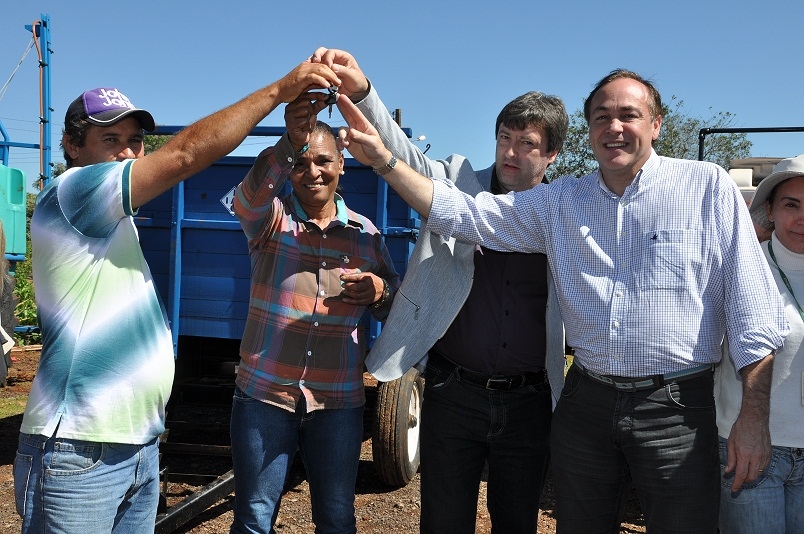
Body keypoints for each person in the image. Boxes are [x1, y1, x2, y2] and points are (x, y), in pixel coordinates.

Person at [333, 69, 789, 533]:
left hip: (674, 409)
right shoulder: (562, 202)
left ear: (656, 125)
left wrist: (754, 419)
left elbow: (753, 312)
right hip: (583, 403)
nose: (614, 127)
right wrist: (383, 158)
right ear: (589, 131)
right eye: (601, 116)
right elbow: (463, 212)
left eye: (628, 115)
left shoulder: (706, 187)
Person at [13, 62, 341, 534]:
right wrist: (277, 92)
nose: (128, 152)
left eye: (135, 140)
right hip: (80, 447)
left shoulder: (113, 221)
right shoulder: (74, 191)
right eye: (110, 139)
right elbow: (185, 155)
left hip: (135, 447)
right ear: (71, 146)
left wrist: (290, 141)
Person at [311, 48, 567, 533]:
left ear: (552, 153)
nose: (511, 153)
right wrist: (363, 92)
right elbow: (401, 154)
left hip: (530, 401)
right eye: (504, 138)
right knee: (443, 522)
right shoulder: (458, 183)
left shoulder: (563, 212)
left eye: (527, 143)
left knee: (518, 522)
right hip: (454, 393)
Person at [228, 93, 401, 534]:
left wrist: (380, 291)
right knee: (253, 517)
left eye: (323, 161)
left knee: (337, 517)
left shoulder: (366, 236)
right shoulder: (271, 221)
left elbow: (398, 306)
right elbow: (246, 200)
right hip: (265, 394)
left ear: (342, 164)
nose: (313, 172)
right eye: (301, 163)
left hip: (337, 402)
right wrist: (290, 140)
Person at [715, 154, 804, 533]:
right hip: (749, 448)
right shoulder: (737, 267)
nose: (802, 218)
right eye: (791, 205)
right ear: (769, 209)